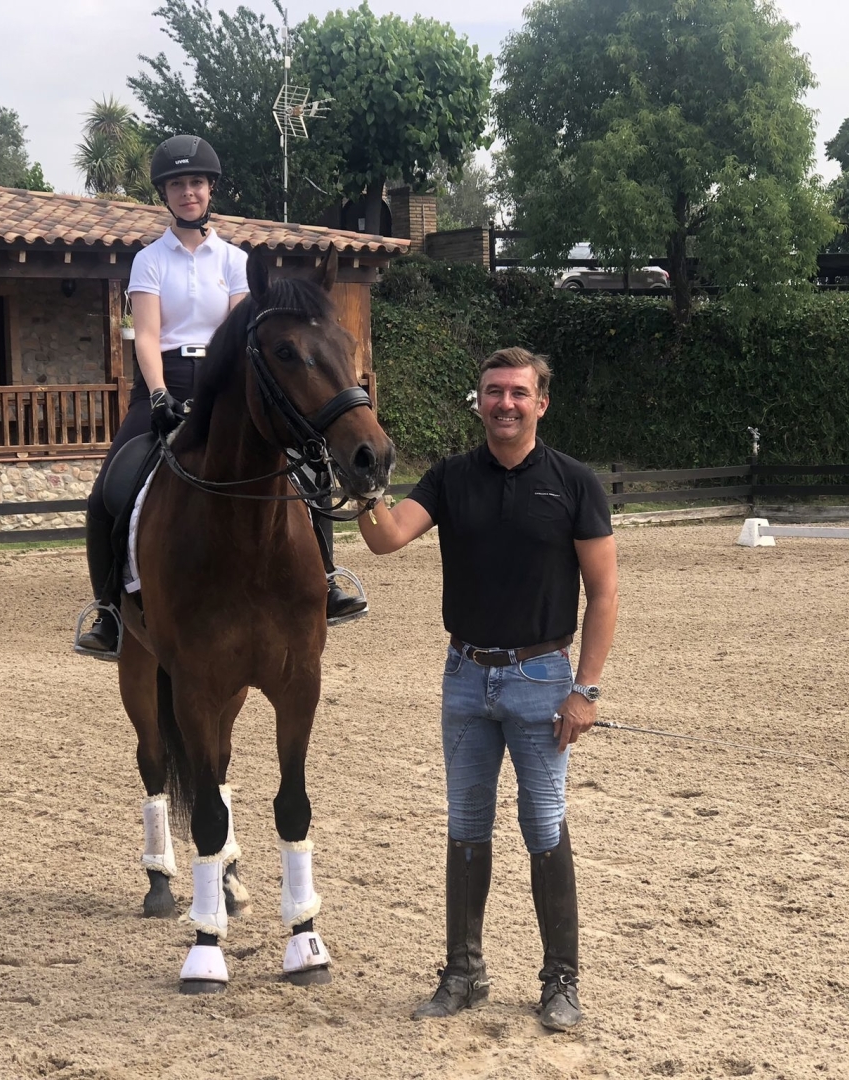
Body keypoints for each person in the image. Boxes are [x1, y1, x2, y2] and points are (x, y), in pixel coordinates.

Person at [354, 347, 619, 1032]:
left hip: (542, 678)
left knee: (543, 823)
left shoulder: (574, 482)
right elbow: (386, 539)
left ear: (541, 403)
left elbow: (604, 592)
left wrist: (586, 691)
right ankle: (463, 973)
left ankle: (560, 980)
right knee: (466, 824)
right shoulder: (450, 478)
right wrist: (365, 485)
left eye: (518, 393)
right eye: (494, 391)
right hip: (466, 677)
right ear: (480, 401)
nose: (505, 403)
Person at [75, 135, 367, 658]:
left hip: (224, 384)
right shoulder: (148, 261)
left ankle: (326, 579)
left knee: (308, 470)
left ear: (210, 190)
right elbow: (147, 336)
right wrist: (159, 394)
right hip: (164, 380)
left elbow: (237, 334)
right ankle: (110, 611)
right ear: (165, 194)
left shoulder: (236, 260)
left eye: (196, 183)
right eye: (177, 185)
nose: (188, 192)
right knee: (107, 492)